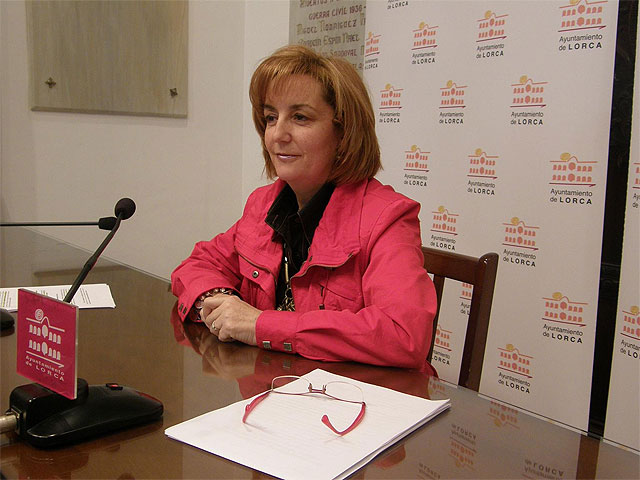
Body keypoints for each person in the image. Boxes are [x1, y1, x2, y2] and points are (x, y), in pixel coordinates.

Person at [171, 45, 437, 373]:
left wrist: (259, 325)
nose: (277, 135)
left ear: (343, 132)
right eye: (271, 117)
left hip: (357, 396)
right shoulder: (263, 203)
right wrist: (221, 301)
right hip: (276, 387)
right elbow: (197, 264)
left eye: (300, 117)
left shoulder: (387, 217)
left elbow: (403, 335)